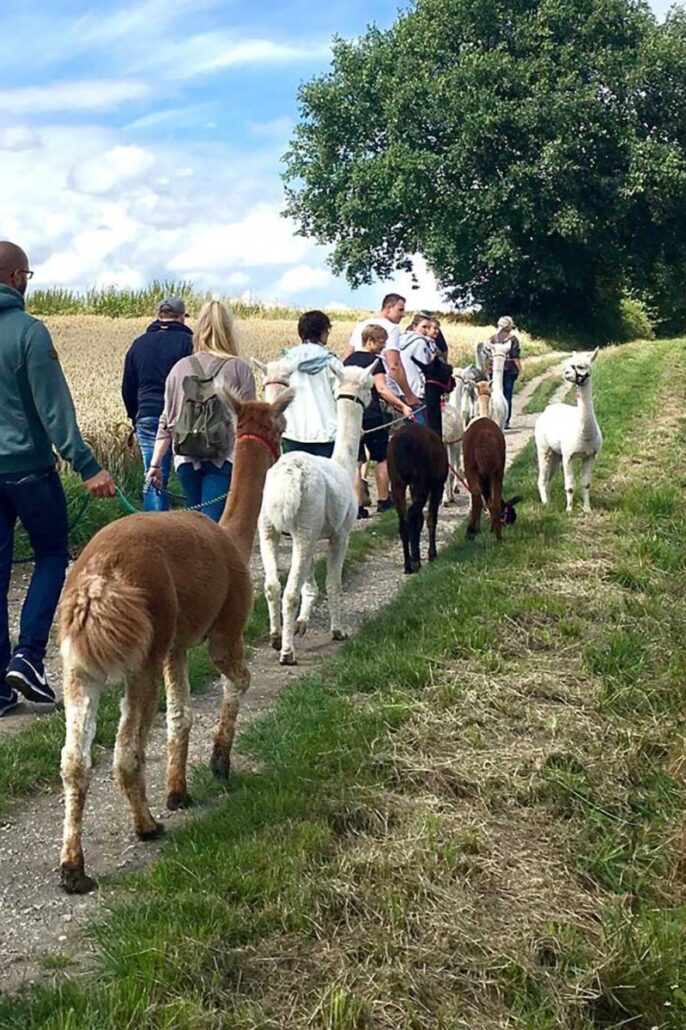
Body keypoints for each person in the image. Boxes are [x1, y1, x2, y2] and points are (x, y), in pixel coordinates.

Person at [0, 241, 116, 715]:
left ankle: (1, 690)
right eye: (27, 274)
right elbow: (54, 409)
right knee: (51, 554)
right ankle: (28, 657)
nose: (28, 283)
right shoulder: (29, 332)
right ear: (14, 278)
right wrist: (88, 466)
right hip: (28, 471)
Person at [148, 300, 255, 521]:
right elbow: (249, 425)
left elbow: (166, 421)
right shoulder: (239, 369)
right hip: (223, 460)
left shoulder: (179, 368)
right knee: (211, 530)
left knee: (195, 526)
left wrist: (155, 464)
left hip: (186, 459)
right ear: (228, 331)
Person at [122, 296, 193, 510]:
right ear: (182, 317)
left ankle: (155, 533)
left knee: (154, 476)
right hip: (184, 417)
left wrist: (136, 417)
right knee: (191, 475)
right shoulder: (189, 343)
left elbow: (128, 387)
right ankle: (198, 529)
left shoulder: (139, 344)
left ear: (158, 316)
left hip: (148, 414)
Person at [344, 324, 413, 517]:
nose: (383, 347)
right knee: (381, 458)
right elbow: (381, 389)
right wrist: (402, 405)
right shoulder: (375, 362)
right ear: (370, 340)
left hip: (351, 414)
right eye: (381, 343)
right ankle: (384, 500)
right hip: (372, 414)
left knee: (357, 461)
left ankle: (357, 506)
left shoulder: (348, 360)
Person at [279, 310, 342, 458]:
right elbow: (341, 396)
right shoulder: (332, 362)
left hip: (293, 431)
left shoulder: (285, 361)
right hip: (327, 432)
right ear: (322, 331)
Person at [345, 293, 420, 409]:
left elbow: (347, 356)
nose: (403, 314)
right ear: (389, 307)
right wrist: (409, 396)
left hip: (359, 394)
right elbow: (394, 365)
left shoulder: (360, 325)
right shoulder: (391, 328)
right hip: (387, 394)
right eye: (400, 310)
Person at [486, 315, 524, 429]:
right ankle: (505, 421)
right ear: (508, 326)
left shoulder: (492, 339)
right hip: (509, 370)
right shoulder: (513, 339)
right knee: (507, 395)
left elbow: (487, 356)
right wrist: (521, 371)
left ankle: (493, 417)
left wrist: (487, 369)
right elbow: (515, 357)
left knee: (494, 393)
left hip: (494, 369)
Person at [398, 313, 435, 419]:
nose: (427, 331)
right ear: (414, 326)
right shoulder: (420, 343)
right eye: (424, 327)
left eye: (428, 327)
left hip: (402, 389)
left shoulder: (400, 340)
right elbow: (423, 369)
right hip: (417, 392)